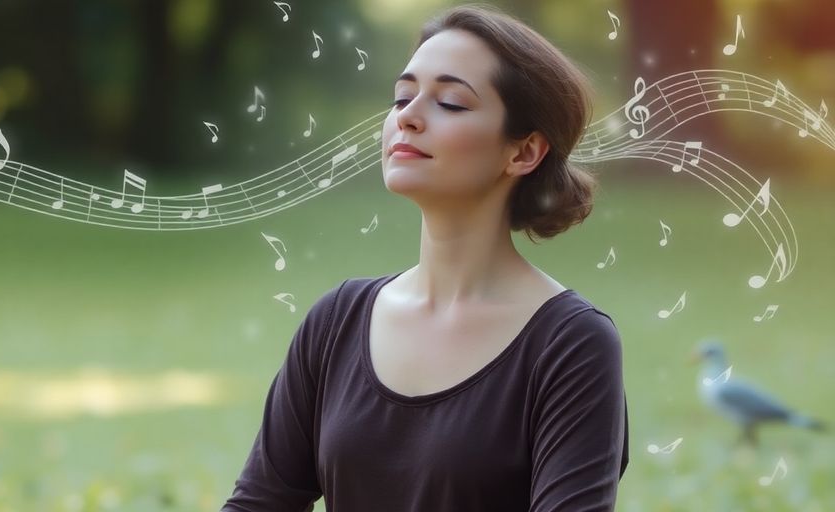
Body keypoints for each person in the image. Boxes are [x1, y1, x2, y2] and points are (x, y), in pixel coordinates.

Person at [222, 4, 628, 511]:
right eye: (402, 96)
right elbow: (260, 502)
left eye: (452, 103)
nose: (408, 117)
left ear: (523, 152)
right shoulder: (337, 321)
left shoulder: (571, 344)